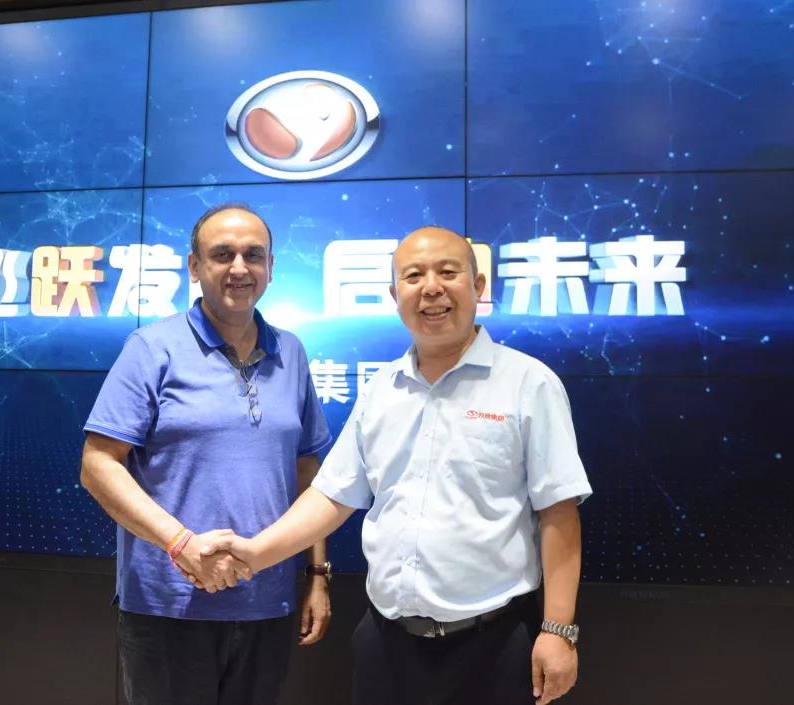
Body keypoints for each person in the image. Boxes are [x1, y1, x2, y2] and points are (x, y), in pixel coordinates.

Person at [204, 225, 592, 705]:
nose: (431, 288)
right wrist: (254, 554)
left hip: (494, 642)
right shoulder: (382, 389)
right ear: (394, 295)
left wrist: (558, 629)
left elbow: (558, 511)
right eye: (413, 276)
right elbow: (331, 497)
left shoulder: (529, 384)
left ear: (478, 286)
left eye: (448, 272)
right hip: (387, 643)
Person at [80, 204, 333, 705]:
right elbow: (97, 464)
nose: (240, 268)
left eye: (253, 255)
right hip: (168, 607)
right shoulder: (152, 348)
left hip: (267, 603)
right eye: (222, 255)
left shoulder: (291, 352)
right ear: (194, 267)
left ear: (270, 268)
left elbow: (308, 470)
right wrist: (180, 544)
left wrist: (317, 575)